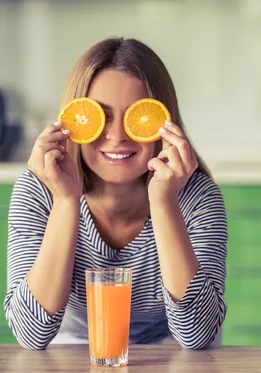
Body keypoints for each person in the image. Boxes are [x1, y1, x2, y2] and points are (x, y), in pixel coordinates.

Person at [4, 38, 227, 350]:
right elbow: (31, 334)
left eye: (137, 117)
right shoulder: (39, 191)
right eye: (102, 116)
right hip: (71, 354)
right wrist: (66, 201)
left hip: (170, 357)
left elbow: (198, 335)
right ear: (74, 121)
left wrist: (163, 203)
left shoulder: (196, 196)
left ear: (164, 122)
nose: (118, 136)